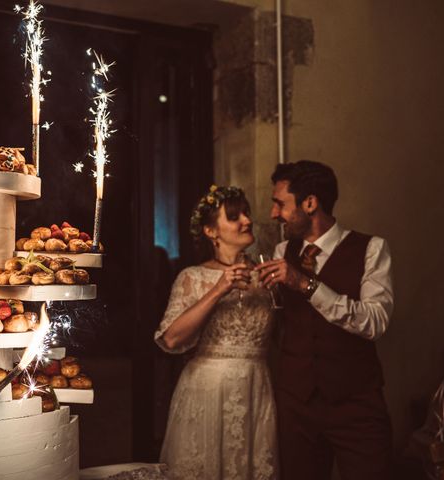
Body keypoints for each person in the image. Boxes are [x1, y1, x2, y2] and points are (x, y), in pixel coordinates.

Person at [256, 160, 394, 480]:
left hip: (356, 405)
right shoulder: (280, 249)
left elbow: (375, 322)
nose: (274, 214)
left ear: (310, 203)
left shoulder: (372, 249)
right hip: (296, 406)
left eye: (280, 204)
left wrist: (305, 284)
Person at [155, 185, 278, 480]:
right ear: (211, 232)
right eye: (234, 216)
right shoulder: (192, 277)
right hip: (207, 392)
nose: (246, 221)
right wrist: (219, 288)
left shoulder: (268, 275)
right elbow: (171, 339)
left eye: (246, 213)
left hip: (256, 387)